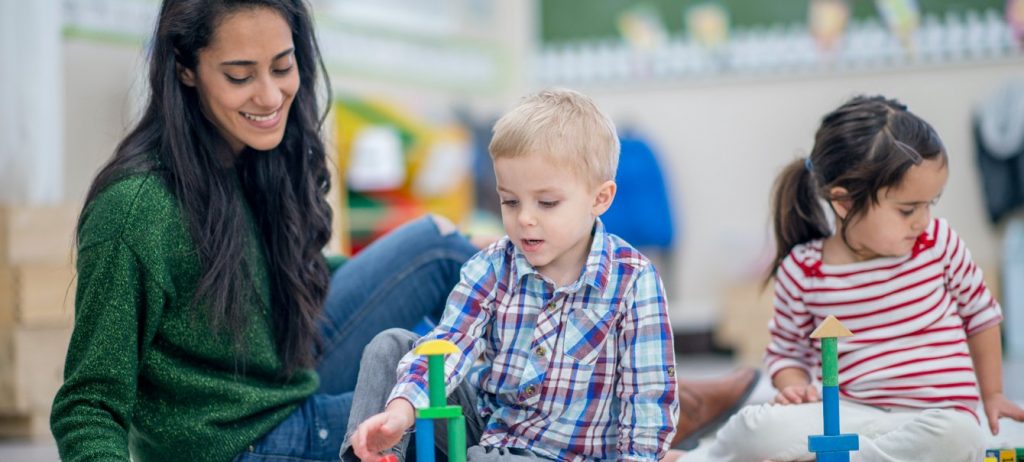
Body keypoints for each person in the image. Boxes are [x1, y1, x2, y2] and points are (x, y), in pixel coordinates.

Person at [49, 2, 755, 462]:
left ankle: (618, 404)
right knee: (433, 385)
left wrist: (506, 257)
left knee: (445, 245)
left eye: (283, 67)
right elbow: (88, 404)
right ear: (185, 71)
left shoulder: (251, 161)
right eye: (239, 76)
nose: (269, 97)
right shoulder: (136, 210)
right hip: (241, 437)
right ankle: (587, 412)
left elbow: (269, 270)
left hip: (272, 365)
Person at [343, 88, 678, 462]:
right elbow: (451, 343)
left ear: (600, 198)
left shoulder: (633, 280)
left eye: (547, 203)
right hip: (487, 435)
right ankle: (374, 454)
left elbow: (647, 398)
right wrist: (400, 412)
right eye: (510, 201)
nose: (525, 218)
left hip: (570, 456)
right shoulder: (491, 267)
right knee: (392, 345)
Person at [697, 95, 1024, 461]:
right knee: (755, 429)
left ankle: (838, 458)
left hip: (934, 418)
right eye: (907, 209)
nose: (923, 220)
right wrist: (796, 389)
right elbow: (786, 353)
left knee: (961, 437)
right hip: (844, 417)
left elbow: (982, 315)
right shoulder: (804, 269)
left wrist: (992, 393)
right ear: (844, 203)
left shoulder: (938, 242)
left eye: (930, 204)